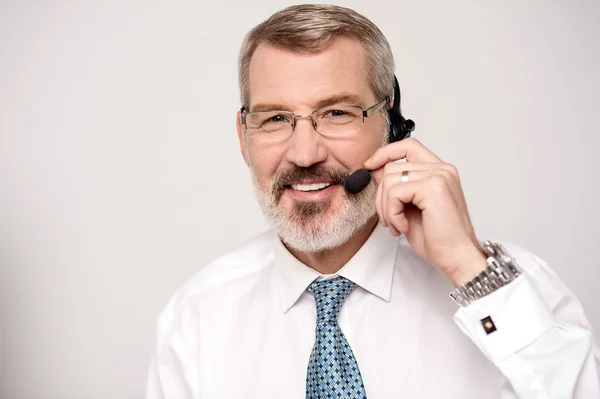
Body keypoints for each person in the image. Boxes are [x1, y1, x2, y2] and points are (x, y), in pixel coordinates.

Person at [146, 4, 600, 398]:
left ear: (392, 126)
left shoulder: (512, 290)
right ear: (244, 138)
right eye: (276, 118)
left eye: (337, 113)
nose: (305, 154)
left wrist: (469, 269)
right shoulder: (196, 319)